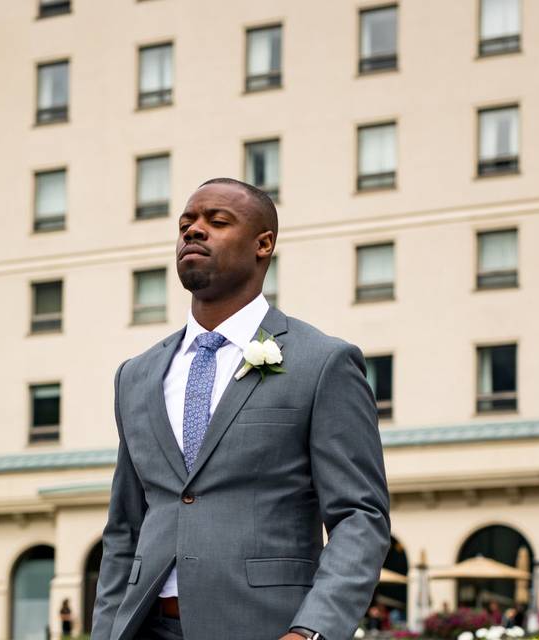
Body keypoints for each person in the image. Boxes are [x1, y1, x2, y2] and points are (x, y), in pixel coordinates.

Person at [91, 178, 392, 640]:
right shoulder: (136, 375)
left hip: (265, 626)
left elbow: (360, 517)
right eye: (186, 223)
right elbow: (124, 527)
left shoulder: (322, 363)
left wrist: (313, 631)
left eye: (217, 221)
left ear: (263, 244)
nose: (193, 231)